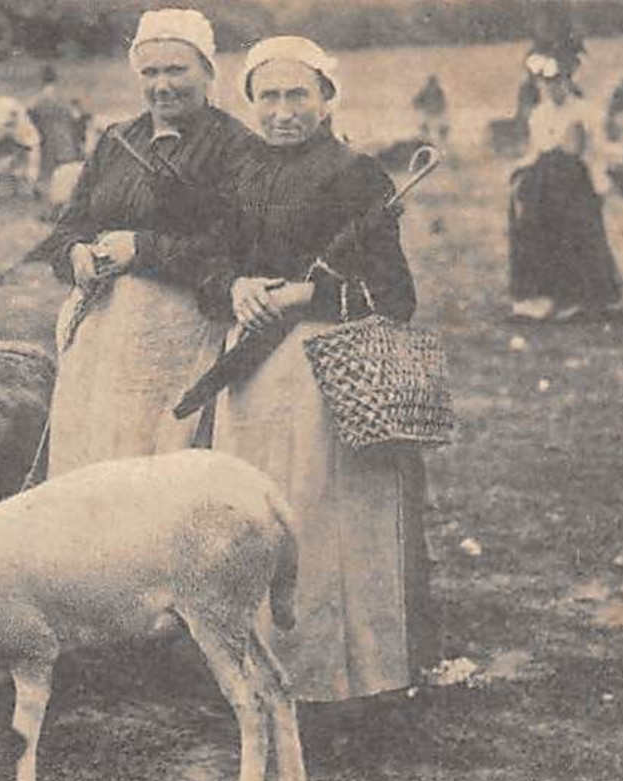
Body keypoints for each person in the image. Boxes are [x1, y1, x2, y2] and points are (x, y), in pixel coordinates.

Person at [196, 35, 438, 704]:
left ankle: (341, 683)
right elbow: (209, 267)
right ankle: (254, 683)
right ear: (248, 102)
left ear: (326, 98)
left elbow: (395, 297)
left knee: (321, 525)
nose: (282, 111)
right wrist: (233, 285)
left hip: (324, 378)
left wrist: (311, 295)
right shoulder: (237, 174)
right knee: (249, 524)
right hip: (248, 378)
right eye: (267, 96)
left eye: (297, 95)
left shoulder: (357, 176)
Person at [26, 8, 262, 476]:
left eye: (177, 69)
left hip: (182, 339)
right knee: (91, 459)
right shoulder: (117, 141)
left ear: (208, 71)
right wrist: (74, 253)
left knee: (154, 470)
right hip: (101, 340)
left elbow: (237, 246)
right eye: (150, 72)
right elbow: (70, 224)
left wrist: (142, 248)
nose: (163, 85)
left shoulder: (236, 146)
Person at [507, 58, 620, 321]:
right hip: (544, 183)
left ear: (568, 81)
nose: (554, 88)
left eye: (558, 82)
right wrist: (518, 169)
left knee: (577, 235)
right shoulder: (538, 114)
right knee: (537, 233)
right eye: (548, 84)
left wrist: (601, 182)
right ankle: (544, 296)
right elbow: (535, 152)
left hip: (575, 183)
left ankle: (582, 298)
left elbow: (596, 149)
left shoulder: (586, 111)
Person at [28, 64, 88, 197]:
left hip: (47, 138)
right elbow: (78, 117)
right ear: (56, 79)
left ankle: (45, 193)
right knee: (65, 169)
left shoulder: (36, 100)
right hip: (65, 137)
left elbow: (29, 117)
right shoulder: (64, 99)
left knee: (47, 169)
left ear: (41, 80)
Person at [412, 73, 448, 143]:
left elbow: (417, 101)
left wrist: (418, 106)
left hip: (433, 114)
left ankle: (430, 139)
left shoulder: (437, 91)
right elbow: (417, 101)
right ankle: (428, 139)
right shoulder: (437, 91)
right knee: (426, 127)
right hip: (432, 114)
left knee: (428, 128)